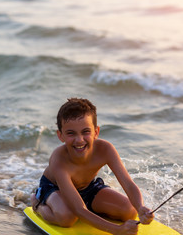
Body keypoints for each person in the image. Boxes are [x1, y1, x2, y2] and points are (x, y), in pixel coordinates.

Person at [30, 98, 154, 235]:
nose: (79, 140)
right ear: (61, 135)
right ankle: (37, 204)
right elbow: (78, 209)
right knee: (67, 218)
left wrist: (140, 207)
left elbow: (128, 184)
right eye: (71, 133)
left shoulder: (105, 149)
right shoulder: (59, 159)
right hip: (54, 189)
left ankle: (93, 211)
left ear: (96, 132)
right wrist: (117, 230)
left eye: (85, 132)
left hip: (88, 188)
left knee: (129, 211)